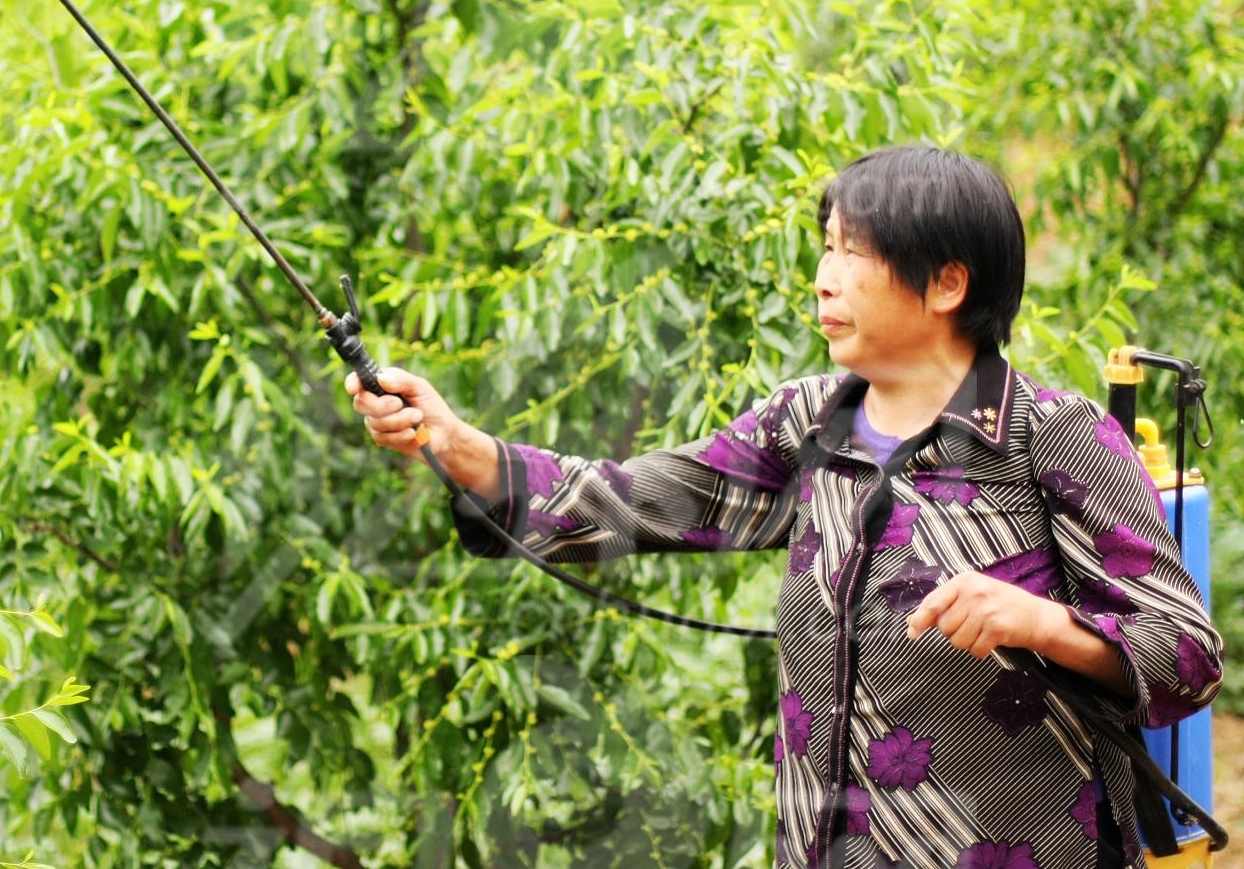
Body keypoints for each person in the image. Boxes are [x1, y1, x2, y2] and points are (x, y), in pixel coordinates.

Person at [344, 145, 1224, 869]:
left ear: (947, 283)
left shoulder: (1050, 437)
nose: (822, 277)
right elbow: (637, 499)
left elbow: (1186, 653)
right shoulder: (812, 421)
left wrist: (1039, 620)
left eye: (852, 252)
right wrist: (456, 444)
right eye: (825, 246)